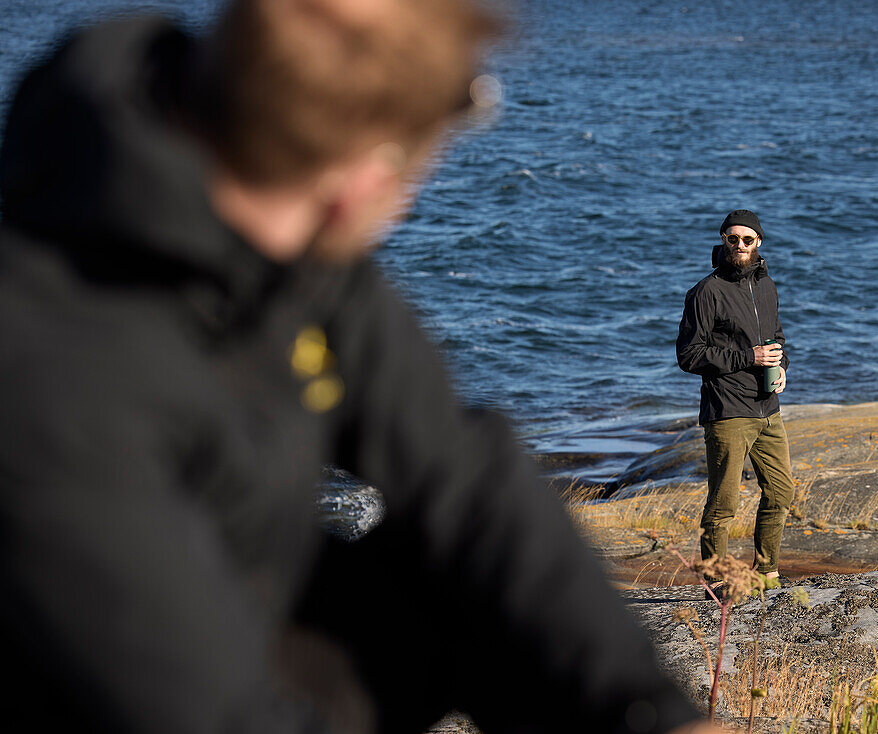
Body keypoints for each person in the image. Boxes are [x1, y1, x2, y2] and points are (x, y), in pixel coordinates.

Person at [0, 1, 724, 732]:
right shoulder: (53, 383)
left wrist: (653, 711)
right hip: (125, 683)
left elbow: (463, 478)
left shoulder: (273, 223)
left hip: (243, 622)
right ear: (362, 183)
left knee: (468, 572)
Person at [675, 210, 796, 589]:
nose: (739, 245)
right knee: (723, 506)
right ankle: (720, 585)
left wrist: (782, 366)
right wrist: (750, 358)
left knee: (781, 492)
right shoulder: (706, 292)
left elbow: (775, 336)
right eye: (733, 238)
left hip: (767, 410)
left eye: (747, 239)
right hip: (727, 412)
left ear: (758, 242)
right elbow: (689, 355)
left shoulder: (767, 286)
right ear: (723, 240)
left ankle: (766, 573)